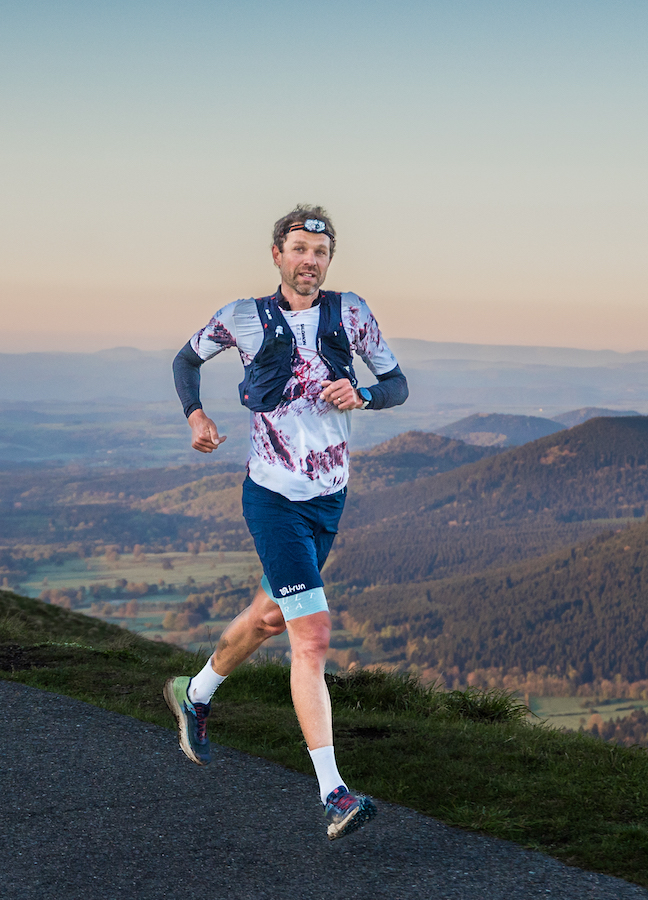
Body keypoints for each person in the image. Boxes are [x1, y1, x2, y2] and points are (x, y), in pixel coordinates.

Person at [166, 204, 409, 840]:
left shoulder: (350, 311)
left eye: (320, 253)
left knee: (273, 617)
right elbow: (184, 362)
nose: (309, 261)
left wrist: (365, 395)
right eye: (298, 249)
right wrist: (197, 417)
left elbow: (397, 384)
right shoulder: (241, 316)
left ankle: (192, 695)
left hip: (329, 497)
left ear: (329, 262)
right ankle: (335, 794)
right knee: (311, 636)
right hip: (272, 496)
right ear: (276, 254)